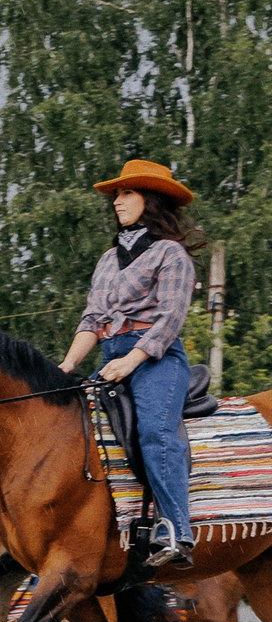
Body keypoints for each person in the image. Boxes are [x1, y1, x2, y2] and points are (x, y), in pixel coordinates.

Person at [59, 159, 204, 572]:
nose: (117, 202)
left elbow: (170, 319)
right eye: (117, 195)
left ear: (150, 200)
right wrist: (67, 365)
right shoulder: (108, 259)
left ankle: (176, 530)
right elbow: (92, 319)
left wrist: (132, 360)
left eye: (127, 193)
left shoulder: (171, 254)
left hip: (157, 359)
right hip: (110, 355)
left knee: (156, 431)